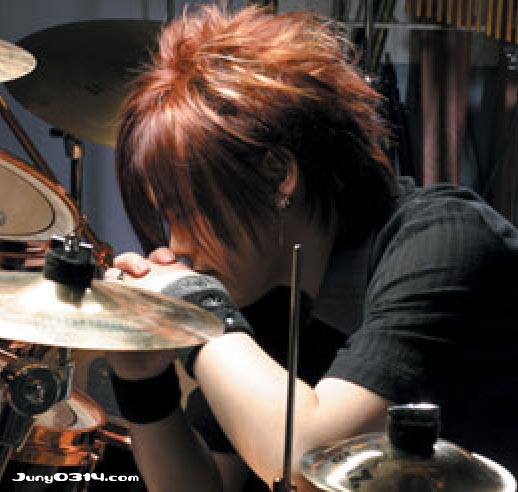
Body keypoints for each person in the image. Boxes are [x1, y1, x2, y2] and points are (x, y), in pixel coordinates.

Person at [106, 5, 518, 491]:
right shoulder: (270, 293)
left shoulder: (446, 243)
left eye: (187, 212)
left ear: (279, 175)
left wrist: (197, 307)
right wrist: (142, 384)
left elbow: (309, 462)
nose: (177, 245)